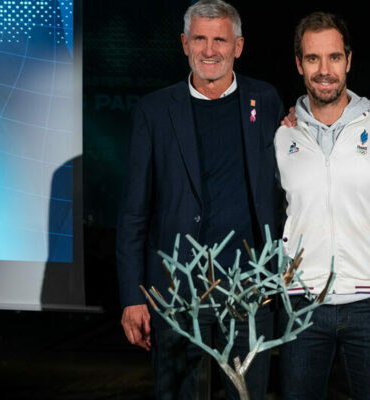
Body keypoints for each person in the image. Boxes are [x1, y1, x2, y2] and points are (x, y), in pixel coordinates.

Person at [115, 1, 284, 399]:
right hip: (176, 292)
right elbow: (134, 212)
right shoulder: (155, 111)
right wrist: (131, 298)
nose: (210, 50)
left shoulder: (267, 100)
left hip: (249, 290)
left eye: (220, 40)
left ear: (238, 46)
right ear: (184, 43)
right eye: (200, 39)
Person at [274, 12, 370, 400]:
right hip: (301, 303)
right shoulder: (282, 135)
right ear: (299, 64)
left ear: (348, 60)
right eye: (312, 58)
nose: (324, 70)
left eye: (333, 57)